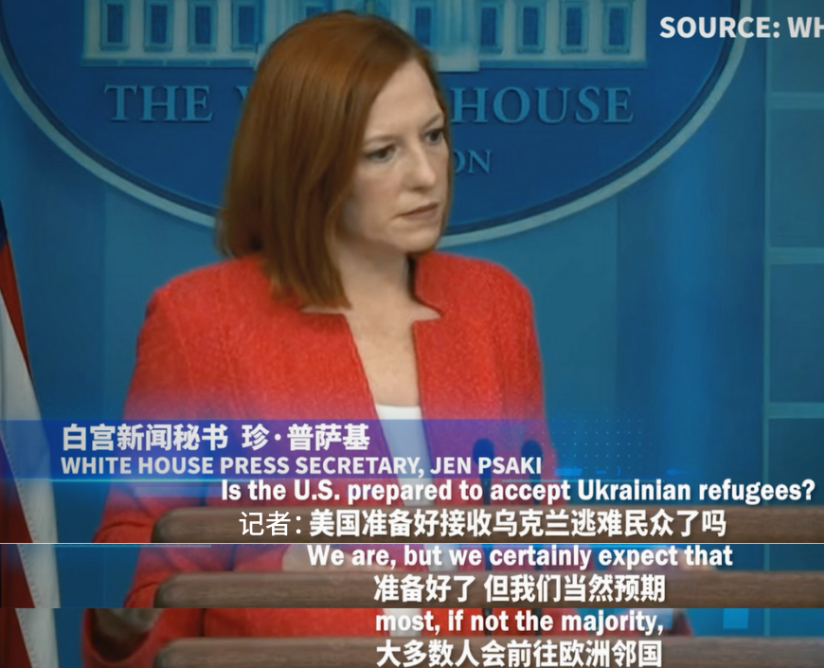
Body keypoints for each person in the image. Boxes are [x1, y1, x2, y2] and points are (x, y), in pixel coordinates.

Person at [84, 12, 560, 667]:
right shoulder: (197, 320)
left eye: (433, 135)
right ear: (308, 166)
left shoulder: (494, 305)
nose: (427, 174)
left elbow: (535, 538)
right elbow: (151, 558)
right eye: (382, 152)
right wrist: (123, 625)